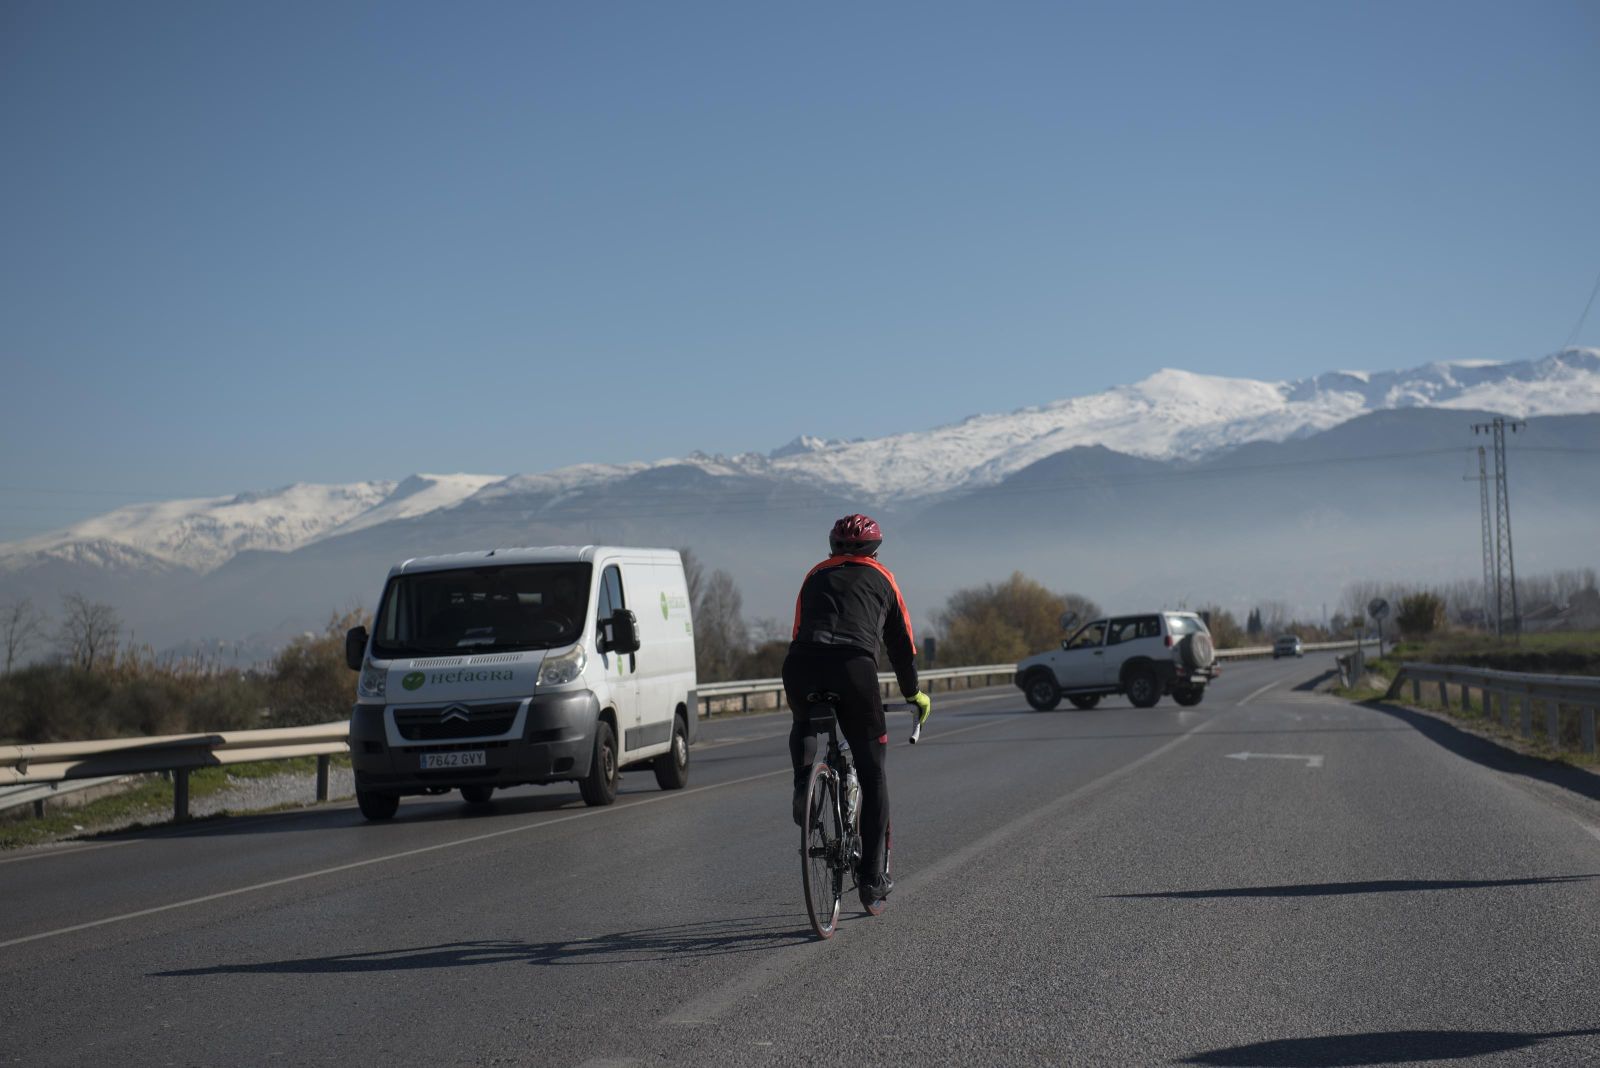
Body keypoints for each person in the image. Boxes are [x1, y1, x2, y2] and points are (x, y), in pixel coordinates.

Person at [783, 513, 932, 907]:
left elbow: (798, 630)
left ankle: (804, 785)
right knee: (872, 771)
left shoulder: (814, 575)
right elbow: (902, 648)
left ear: (831, 547)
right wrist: (914, 694)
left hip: (802, 663)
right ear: (876, 550)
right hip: (854, 669)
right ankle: (870, 877)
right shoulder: (884, 579)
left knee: (805, 722)